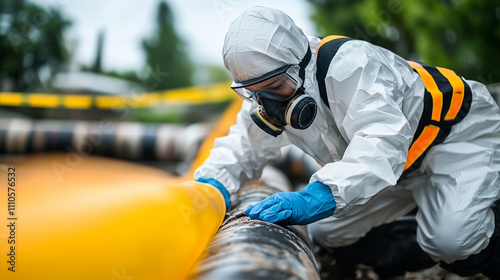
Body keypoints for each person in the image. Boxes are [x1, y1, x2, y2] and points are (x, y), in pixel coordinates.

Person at [194, 6, 500, 278]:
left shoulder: (353, 66)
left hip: (456, 137)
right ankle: (416, 242)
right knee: (327, 231)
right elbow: (242, 146)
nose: (269, 103)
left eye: (275, 86)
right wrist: (209, 188)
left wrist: (314, 196)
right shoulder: (271, 94)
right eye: (254, 92)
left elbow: (381, 145)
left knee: (454, 240)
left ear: (299, 64)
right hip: (402, 165)